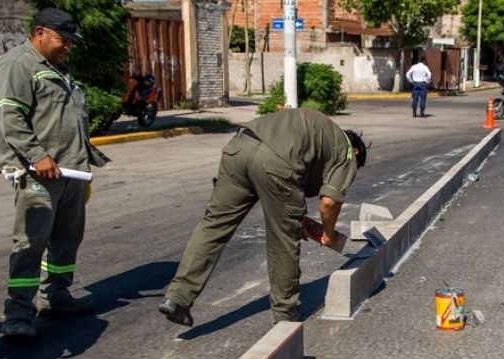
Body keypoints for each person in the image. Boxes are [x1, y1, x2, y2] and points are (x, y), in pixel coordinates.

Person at [158, 108, 368, 327]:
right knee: (282, 240)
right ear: (356, 151)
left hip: (239, 148)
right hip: (275, 164)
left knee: (213, 225)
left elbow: (296, 177)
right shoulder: (346, 152)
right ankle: (284, 316)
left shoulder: (320, 128)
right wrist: (328, 234)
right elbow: (329, 203)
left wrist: (298, 219)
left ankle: (177, 298)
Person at [0, 7, 109, 339]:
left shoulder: (56, 67)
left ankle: (55, 295)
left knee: (66, 240)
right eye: (62, 39)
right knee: (30, 244)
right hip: (37, 173)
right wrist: (37, 155)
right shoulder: (17, 65)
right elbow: (8, 117)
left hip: (70, 170)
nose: (67, 46)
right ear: (39, 32)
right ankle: (17, 314)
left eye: (71, 41)